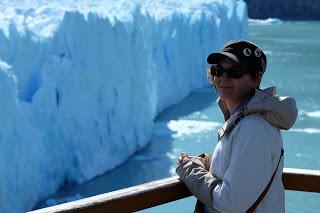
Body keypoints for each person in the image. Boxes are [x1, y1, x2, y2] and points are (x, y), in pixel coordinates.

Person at [176, 40, 298, 213]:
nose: (223, 78)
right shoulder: (241, 121)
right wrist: (207, 162)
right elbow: (242, 165)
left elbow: (230, 204)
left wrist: (189, 170)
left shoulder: (254, 128)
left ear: (256, 78)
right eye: (217, 71)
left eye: (235, 71)